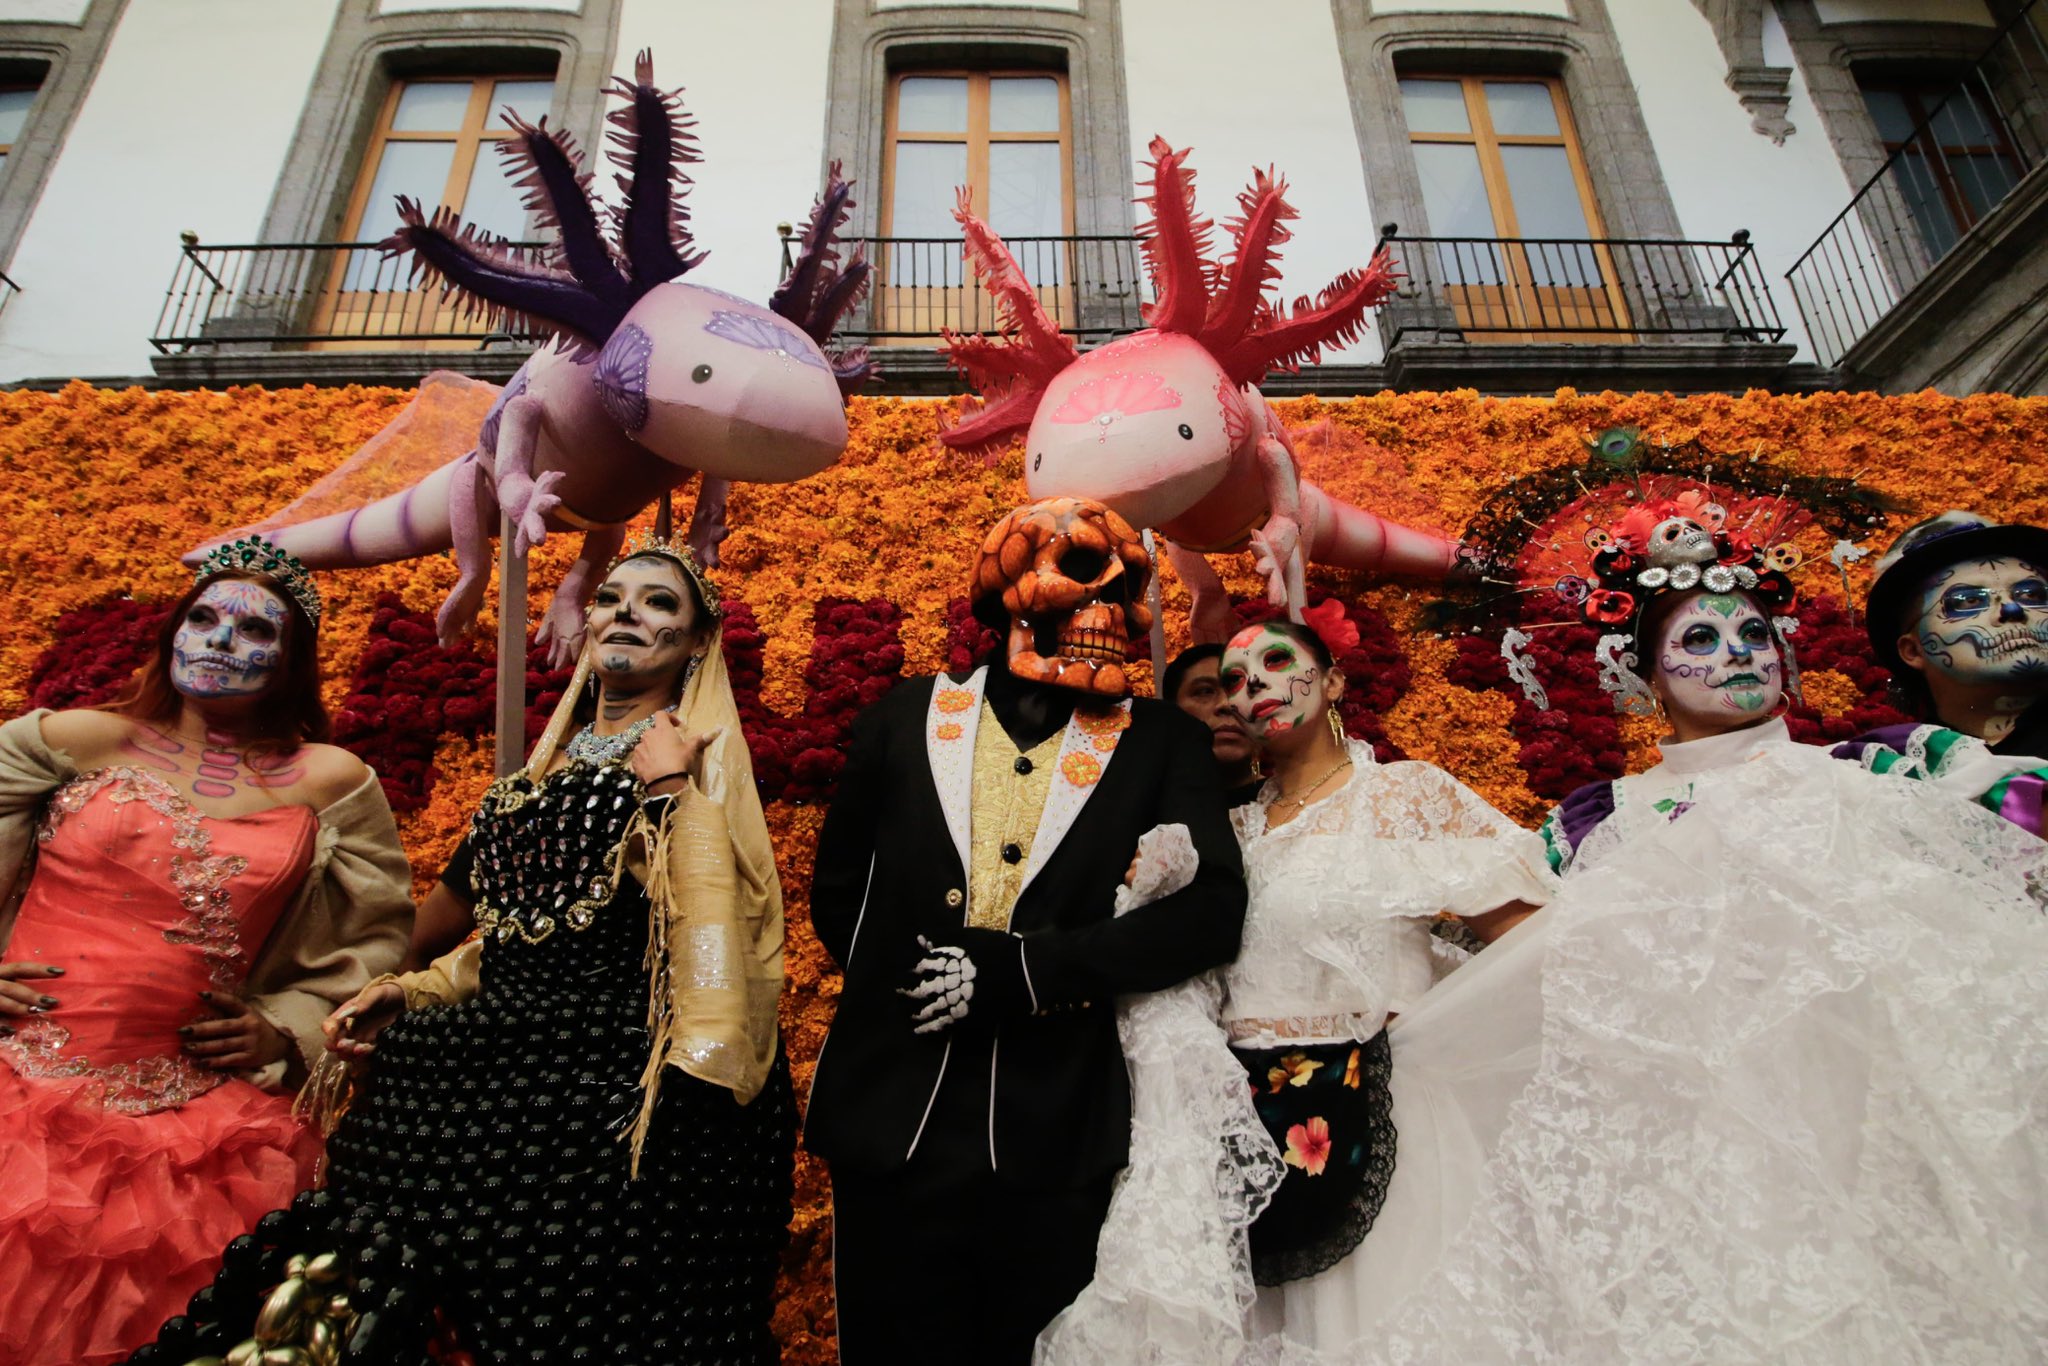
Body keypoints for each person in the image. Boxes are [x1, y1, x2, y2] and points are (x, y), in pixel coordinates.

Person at [1227, 498, 2048, 1362]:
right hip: (1681, 1144)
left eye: (1755, 637)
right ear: (1645, 674)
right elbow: (1539, 971)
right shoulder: (1594, 826)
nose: (1737, 655)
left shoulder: (1888, 769)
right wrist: (1414, 1025)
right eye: (1699, 641)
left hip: (1871, 1117)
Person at [147, 528, 792, 1364]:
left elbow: (712, 924)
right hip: (499, 1070)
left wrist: (671, 790)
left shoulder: (689, 760)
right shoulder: (528, 783)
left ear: (698, 641)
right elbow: (515, 935)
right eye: (610, 598)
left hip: (613, 1089)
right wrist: (410, 991)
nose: (628, 613)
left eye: (659, 602)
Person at [1038, 617, 1553, 1363]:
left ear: (1334, 680)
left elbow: (1537, 942)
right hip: (1244, 1144)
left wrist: (1436, 1040)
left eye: (1278, 662)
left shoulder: (1404, 797)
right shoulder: (1226, 836)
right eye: (1238, 682)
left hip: (1391, 1124)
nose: (1257, 689)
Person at [808, 496, 1247, 1366]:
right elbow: (840, 889)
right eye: (1086, 579)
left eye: (1132, 594)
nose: (1113, 612)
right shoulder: (902, 717)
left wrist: (1022, 975)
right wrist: (923, 982)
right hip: (891, 1113)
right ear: (1004, 592)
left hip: (1061, 1120)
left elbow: (1209, 911)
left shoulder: (1160, 740)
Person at [0, 537, 413, 1366]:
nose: (223, 639)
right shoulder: (72, 738)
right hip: (19, 1088)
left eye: (256, 631)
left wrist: (285, 1029)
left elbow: (375, 942)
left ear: (293, 662)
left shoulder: (331, 780)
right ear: (171, 634)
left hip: (190, 1134)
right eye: (204, 617)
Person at [1850, 508, 2048, 758]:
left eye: (2032, 594)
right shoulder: (1893, 771)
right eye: (1968, 601)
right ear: (1912, 650)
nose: (2012, 608)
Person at [1162, 643, 1262, 806]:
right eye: (1205, 691)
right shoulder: (1143, 811)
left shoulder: (1300, 806)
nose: (1227, 705)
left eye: (1244, 692)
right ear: (1171, 710)